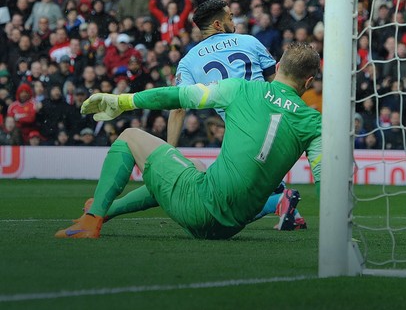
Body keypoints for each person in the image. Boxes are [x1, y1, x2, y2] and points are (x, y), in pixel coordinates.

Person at [55, 42, 322, 239]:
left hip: (199, 209)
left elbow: (177, 96)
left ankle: (91, 221)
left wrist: (123, 101)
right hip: (228, 228)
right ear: (308, 82)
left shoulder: (239, 88)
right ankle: (109, 209)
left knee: (129, 137)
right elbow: (326, 181)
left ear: (277, 67)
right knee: (194, 165)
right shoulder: (314, 122)